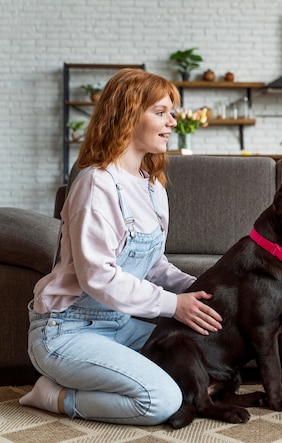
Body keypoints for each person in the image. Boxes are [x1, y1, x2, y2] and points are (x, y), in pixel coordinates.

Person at [19, 69, 223, 425]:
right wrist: (173, 305)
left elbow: (154, 265)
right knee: (162, 400)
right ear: (128, 114)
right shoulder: (96, 184)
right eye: (160, 112)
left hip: (119, 326)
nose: (172, 121)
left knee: (205, 369)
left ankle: (89, 379)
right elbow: (97, 277)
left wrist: (203, 288)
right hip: (67, 331)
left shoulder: (152, 186)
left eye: (172, 112)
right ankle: (54, 395)